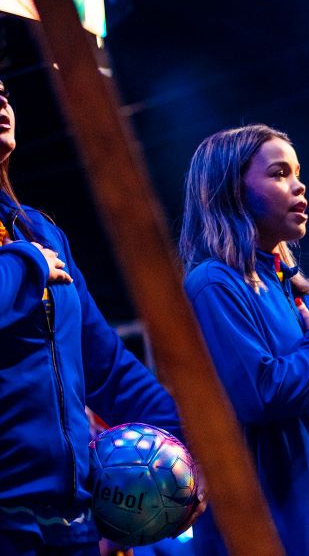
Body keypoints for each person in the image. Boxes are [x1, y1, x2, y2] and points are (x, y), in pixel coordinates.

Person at [0, 80, 194, 555]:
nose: (2, 100)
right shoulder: (31, 252)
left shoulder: (38, 231)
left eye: (3, 90)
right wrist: (25, 265)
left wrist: (192, 446)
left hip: (72, 523)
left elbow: (106, 367)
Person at [179, 124, 309, 556]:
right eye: (279, 174)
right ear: (232, 191)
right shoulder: (213, 284)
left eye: (297, 172)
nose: (299, 186)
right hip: (274, 530)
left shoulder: (287, 284)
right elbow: (262, 394)